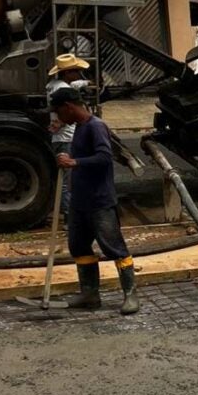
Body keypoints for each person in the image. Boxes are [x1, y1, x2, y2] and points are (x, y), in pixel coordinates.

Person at [51, 87, 140, 315]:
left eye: (59, 113)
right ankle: (90, 293)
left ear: (68, 107)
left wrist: (75, 163)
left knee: (114, 247)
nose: (58, 118)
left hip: (99, 201)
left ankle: (130, 295)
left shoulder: (95, 127)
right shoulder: (79, 128)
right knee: (78, 246)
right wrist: (67, 159)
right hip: (80, 202)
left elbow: (104, 158)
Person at [45, 54, 91, 217]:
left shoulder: (53, 85)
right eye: (76, 71)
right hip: (66, 137)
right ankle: (70, 217)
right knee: (68, 181)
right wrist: (62, 122)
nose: (78, 74)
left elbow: (77, 84)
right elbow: (65, 112)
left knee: (65, 179)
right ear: (67, 73)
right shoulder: (63, 89)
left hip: (59, 137)